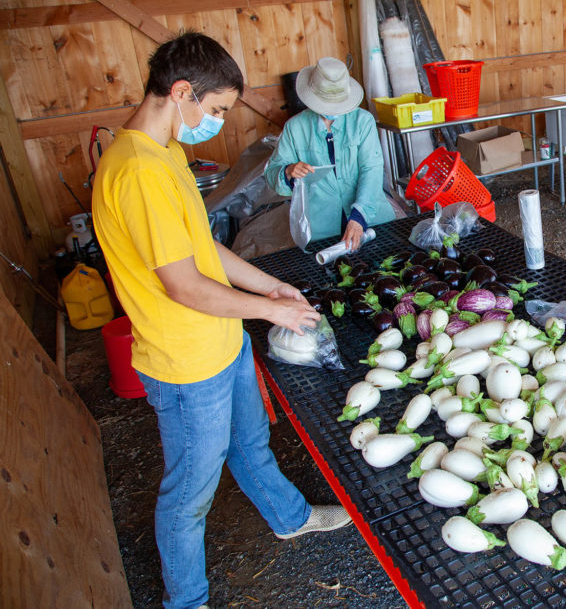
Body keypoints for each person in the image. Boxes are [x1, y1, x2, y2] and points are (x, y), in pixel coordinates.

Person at [92, 32, 352, 609]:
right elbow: (182, 285)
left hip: (221, 341)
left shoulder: (165, 154)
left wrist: (269, 283)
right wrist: (270, 309)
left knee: (251, 442)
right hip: (184, 364)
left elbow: (202, 251)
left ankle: (290, 517)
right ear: (181, 92)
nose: (214, 122)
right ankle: (186, 601)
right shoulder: (137, 172)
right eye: (213, 111)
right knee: (188, 494)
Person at [265, 57, 395, 248]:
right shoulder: (295, 127)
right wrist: (287, 172)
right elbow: (271, 174)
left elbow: (372, 169)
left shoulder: (362, 121)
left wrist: (359, 216)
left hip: (371, 221)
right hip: (321, 229)